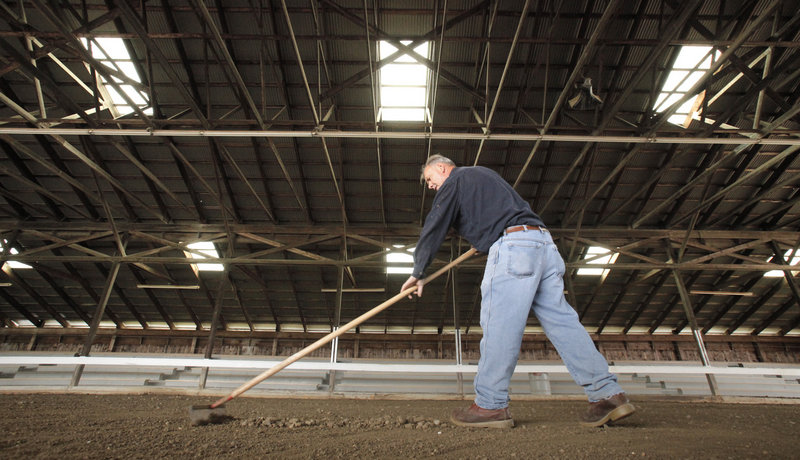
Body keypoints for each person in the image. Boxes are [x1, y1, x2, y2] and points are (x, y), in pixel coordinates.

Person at [401, 154, 635, 429]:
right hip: (543, 245)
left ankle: (490, 405)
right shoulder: (483, 175)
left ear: (442, 168)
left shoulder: (457, 179)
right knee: (564, 324)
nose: (430, 186)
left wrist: (418, 270)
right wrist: (484, 237)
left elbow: (436, 222)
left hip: (514, 247)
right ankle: (608, 395)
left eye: (430, 179)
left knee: (499, 326)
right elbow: (489, 215)